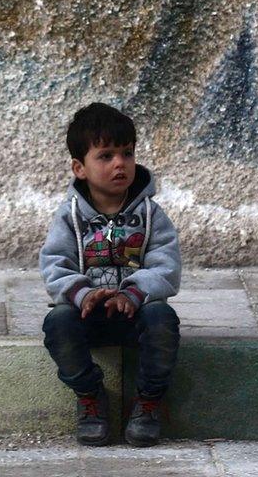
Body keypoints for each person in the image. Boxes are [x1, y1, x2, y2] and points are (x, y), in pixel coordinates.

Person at [39, 101, 181, 447]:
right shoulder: (69, 216)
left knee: (163, 317)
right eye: (106, 156)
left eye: (127, 153)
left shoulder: (151, 215)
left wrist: (133, 293)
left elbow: (166, 266)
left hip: (135, 314)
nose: (120, 163)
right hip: (88, 314)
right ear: (80, 168)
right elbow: (54, 264)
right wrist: (83, 294)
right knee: (58, 322)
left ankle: (148, 402)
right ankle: (90, 396)